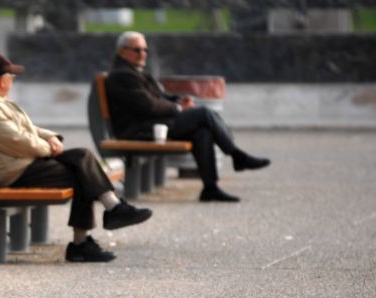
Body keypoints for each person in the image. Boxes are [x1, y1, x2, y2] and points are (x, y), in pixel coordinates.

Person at [0, 51, 153, 263]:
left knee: (82, 158)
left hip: (22, 162)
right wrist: (48, 148)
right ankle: (90, 233)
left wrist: (51, 137)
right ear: (0, 80)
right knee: (82, 173)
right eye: (10, 77)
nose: (12, 81)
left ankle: (110, 213)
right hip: (13, 171)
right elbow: (15, 139)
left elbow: (28, 130)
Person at [106, 31, 271, 202]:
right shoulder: (122, 75)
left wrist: (178, 100)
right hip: (139, 129)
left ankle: (210, 188)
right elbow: (147, 105)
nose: (142, 54)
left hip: (152, 124)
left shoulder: (133, 72)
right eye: (137, 50)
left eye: (145, 50)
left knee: (202, 132)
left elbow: (159, 97)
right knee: (204, 113)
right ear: (122, 52)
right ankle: (237, 155)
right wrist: (178, 108)